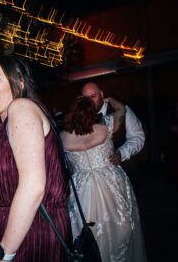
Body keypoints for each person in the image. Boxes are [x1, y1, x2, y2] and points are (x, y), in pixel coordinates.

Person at [0, 55, 70, 261]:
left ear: (19, 83)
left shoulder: (21, 107)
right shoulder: (4, 127)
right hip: (18, 230)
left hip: (33, 231)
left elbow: (33, 187)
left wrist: (5, 252)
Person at [60, 96, 147, 262]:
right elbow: (122, 109)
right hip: (110, 184)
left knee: (83, 231)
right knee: (120, 229)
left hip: (81, 190)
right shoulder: (105, 127)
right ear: (92, 112)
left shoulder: (62, 137)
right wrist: (110, 100)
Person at [81, 82, 145, 165]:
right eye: (86, 99)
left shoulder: (123, 109)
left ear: (101, 94)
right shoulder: (81, 117)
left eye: (93, 96)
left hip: (126, 168)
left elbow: (138, 137)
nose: (89, 102)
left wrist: (121, 153)